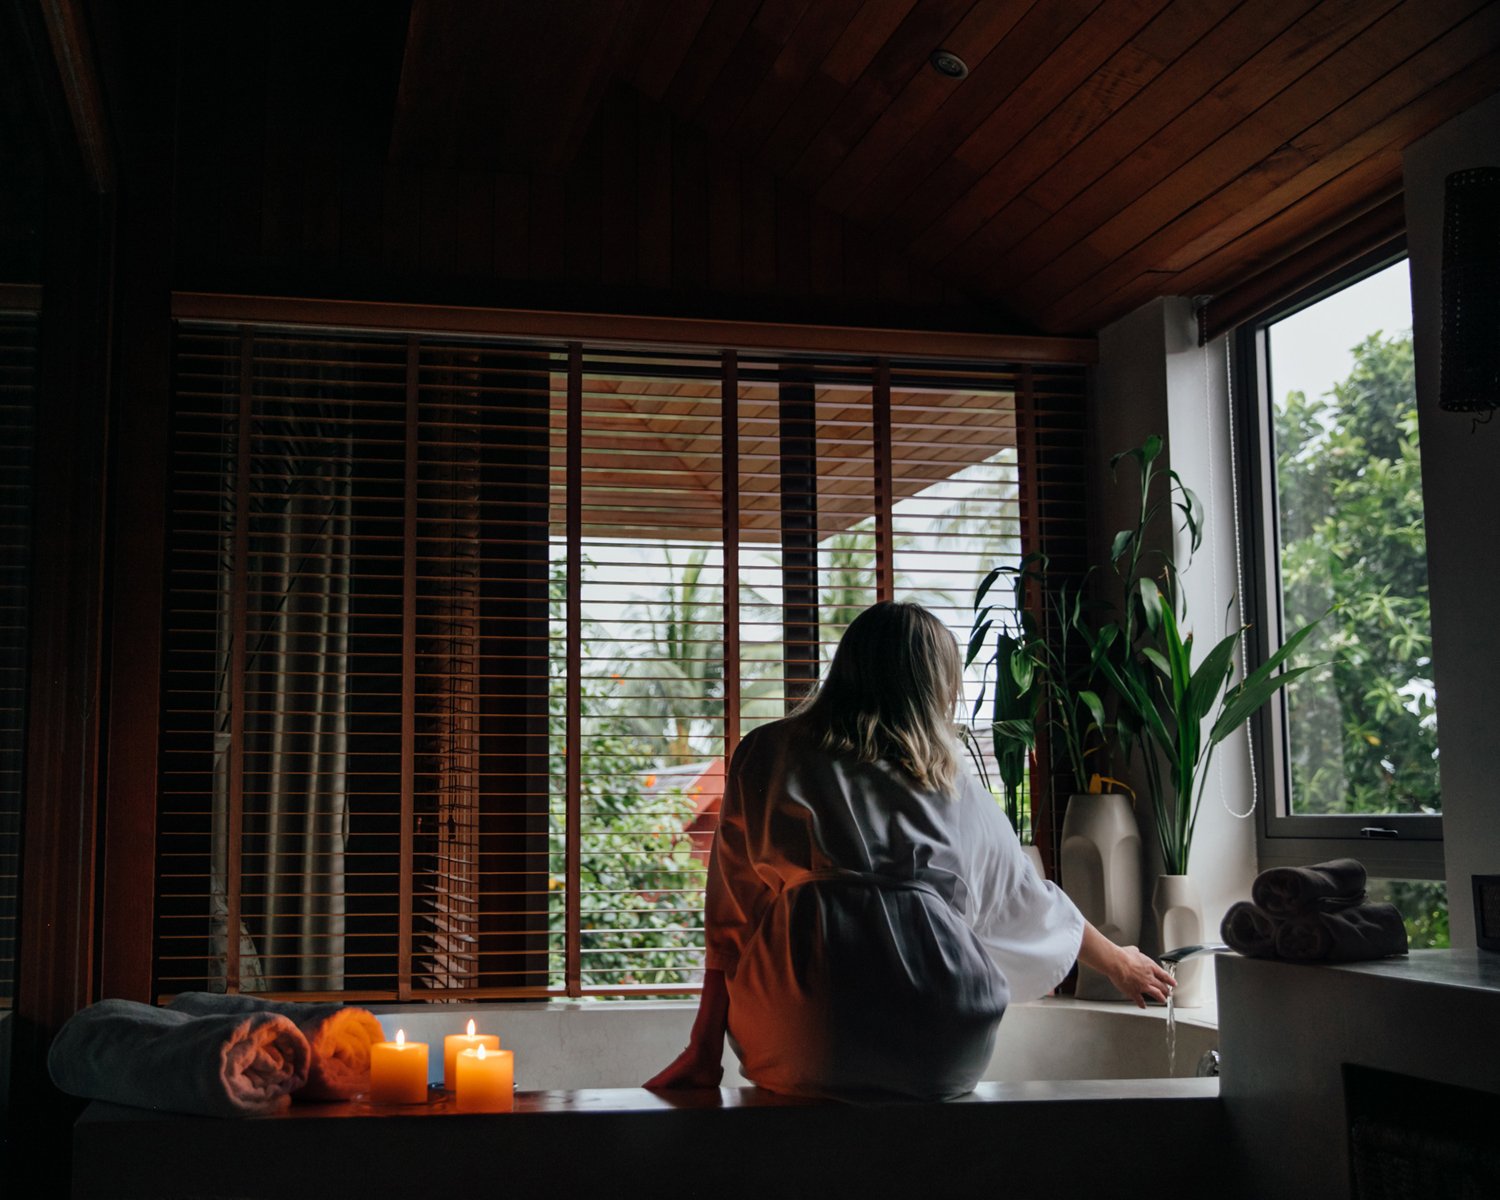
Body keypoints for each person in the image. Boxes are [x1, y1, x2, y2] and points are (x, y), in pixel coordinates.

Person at [645, 600, 1174, 1101]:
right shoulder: (948, 780)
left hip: (799, 1038)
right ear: (931, 686)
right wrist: (1118, 961)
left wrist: (703, 1052)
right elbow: (1026, 899)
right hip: (938, 1040)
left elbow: (731, 921)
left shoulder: (768, 752)